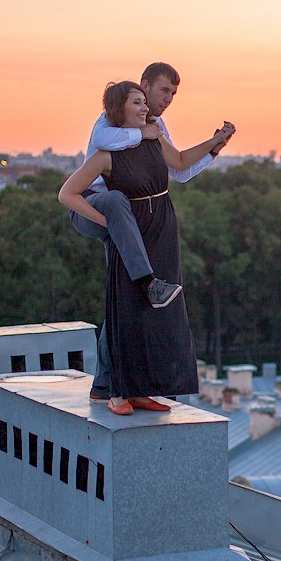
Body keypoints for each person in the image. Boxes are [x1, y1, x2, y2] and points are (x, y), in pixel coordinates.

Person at [59, 81, 228, 415]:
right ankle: (117, 391)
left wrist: (215, 143)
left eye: (144, 103)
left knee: (154, 314)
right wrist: (109, 225)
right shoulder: (105, 152)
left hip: (158, 226)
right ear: (119, 109)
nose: (146, 108)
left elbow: (179, 162)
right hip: (124, 225)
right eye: (137, 102)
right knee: (127, 309)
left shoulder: (154, 139)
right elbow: (67, 194)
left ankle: (140, 389)